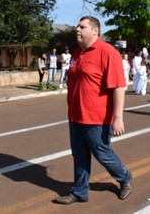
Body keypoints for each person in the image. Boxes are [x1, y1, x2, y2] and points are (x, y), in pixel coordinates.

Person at [54, 16, 132, 205]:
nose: (77, 30)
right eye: (77, 26)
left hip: (96, 117)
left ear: (95, 30)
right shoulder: (76, 54)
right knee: (79, 155)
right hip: (75, 116)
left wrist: (118, 118)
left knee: (102, 153)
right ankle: (80, 191)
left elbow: (118, 87)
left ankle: (124, 178)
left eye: (82, 27)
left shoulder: (107, 52)